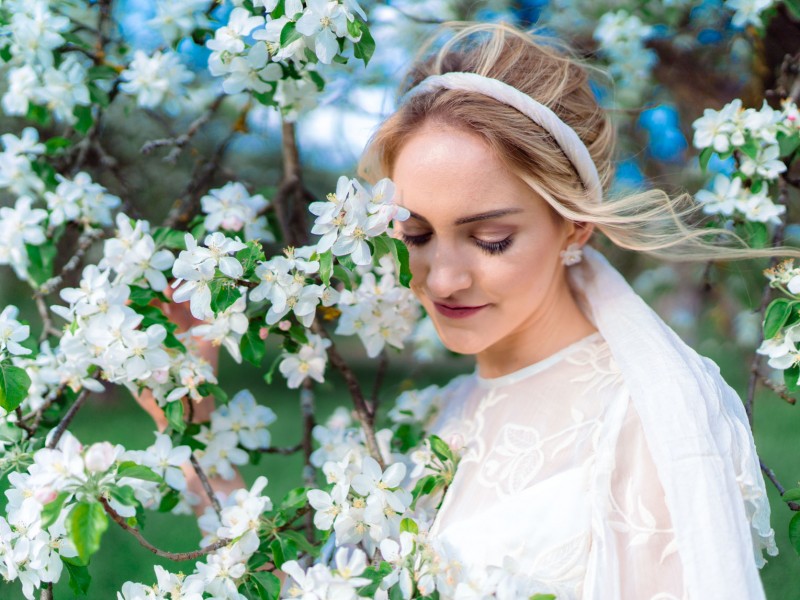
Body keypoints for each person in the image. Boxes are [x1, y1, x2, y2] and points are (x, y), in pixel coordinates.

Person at [355, 21, 783, 600]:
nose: (443, 279)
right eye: (415, 234)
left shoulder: (645, 414)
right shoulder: (441, 411)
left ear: (574, 227)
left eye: (491, 239)